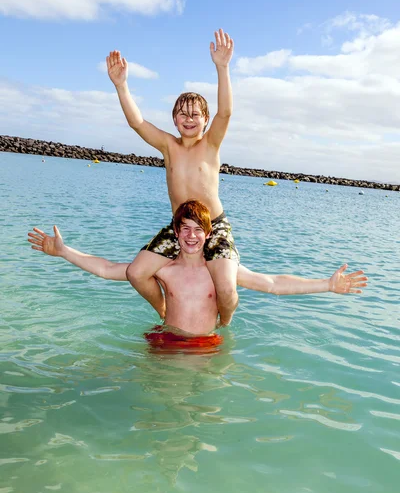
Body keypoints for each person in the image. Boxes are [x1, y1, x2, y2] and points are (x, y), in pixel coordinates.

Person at [27, 200, 368, 339]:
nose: (191, 235)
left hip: (207, 345)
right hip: (166, 340)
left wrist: (327, 284)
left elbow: (273, 283)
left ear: (208, 235)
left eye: (198, 229)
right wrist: (64, 251)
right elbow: (107, 268)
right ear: (175, 233)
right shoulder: (165, 270)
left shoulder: (220, 273)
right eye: (184, 228)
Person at [107, 29, 239, 327]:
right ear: (173, 119)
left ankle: (224, 322)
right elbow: (136, 122)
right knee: (135, 272)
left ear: (205, 120)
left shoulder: (211, 144)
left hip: (214, 226)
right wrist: (121, 85)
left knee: (228, 290)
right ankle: (165, 310)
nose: (189, 119)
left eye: (195, 115)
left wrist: (222, 67)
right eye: (182, 114)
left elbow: (226, 112)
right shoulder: (169, 145)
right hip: (181, 227)